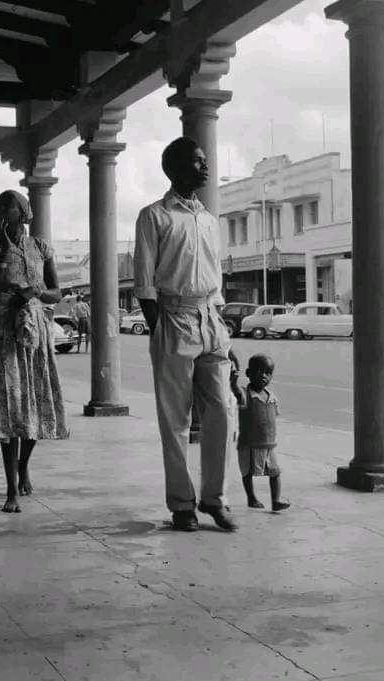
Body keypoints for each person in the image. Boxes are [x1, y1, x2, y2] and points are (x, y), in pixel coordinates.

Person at [134, 136, 235, 533]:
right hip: (173, 318)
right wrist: (159, 327)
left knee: (222, 412)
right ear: (173, 168)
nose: (205, 166)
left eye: (205, 159)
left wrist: (220, 325)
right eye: (196, 160)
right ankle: (182, 505)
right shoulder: (154, 216)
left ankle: (215, 499)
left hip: (211, 319)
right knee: (176, 419)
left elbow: (215, 275)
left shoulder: (209, 220)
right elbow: (145, 282)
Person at [0, 190, 68, 513]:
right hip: (2, 329)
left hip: (34, 328)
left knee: (36, 401)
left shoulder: (40, 247)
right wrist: (2, 253)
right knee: (9, 406)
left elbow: (56, 293)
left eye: (7, 206)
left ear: (23, 211)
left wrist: (36, 292)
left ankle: (23, 466)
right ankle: (10, 488)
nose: (1, 210)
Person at [234, 353, 290, 512]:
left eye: (268, 372)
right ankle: (251, 497)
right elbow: (235, 391)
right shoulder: (245, 395)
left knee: (275, 472)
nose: (264, 376)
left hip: (268, 443)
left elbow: (274, 416)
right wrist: (233, 380)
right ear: (248, 373)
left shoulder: (272, 397)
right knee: (247, 472)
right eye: (259, 371)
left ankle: (276, 500)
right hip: (248, 443)